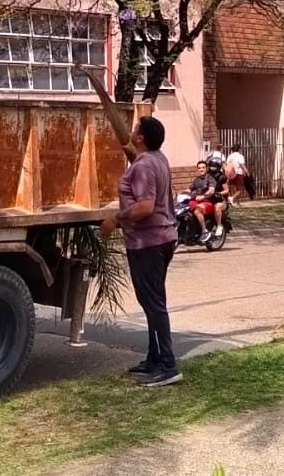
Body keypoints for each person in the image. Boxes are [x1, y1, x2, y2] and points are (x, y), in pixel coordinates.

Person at [101, 116, 180, 387]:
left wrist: (115, 219)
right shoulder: (157, 158)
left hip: (149, 242)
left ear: (142, 137)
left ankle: (168, 365)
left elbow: (145, 207)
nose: (132, 130)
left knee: (153, 303)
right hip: (162, 239)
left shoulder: (144, 165)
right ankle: (154, 357)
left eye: (136, 129)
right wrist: (133, 155)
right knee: (152, 301)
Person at [188, 164, 226, 243]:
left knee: (197, 210)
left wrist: (203, 196)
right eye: (199, 168)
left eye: (203, 168)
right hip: (197, 201)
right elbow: (189, 189)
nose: (201, 169)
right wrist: (183, 194)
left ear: (206, 168)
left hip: (207, 202)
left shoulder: (210, 179)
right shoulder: (197, 179)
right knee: (184, 208)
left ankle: (204, 231)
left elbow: (211, 190)